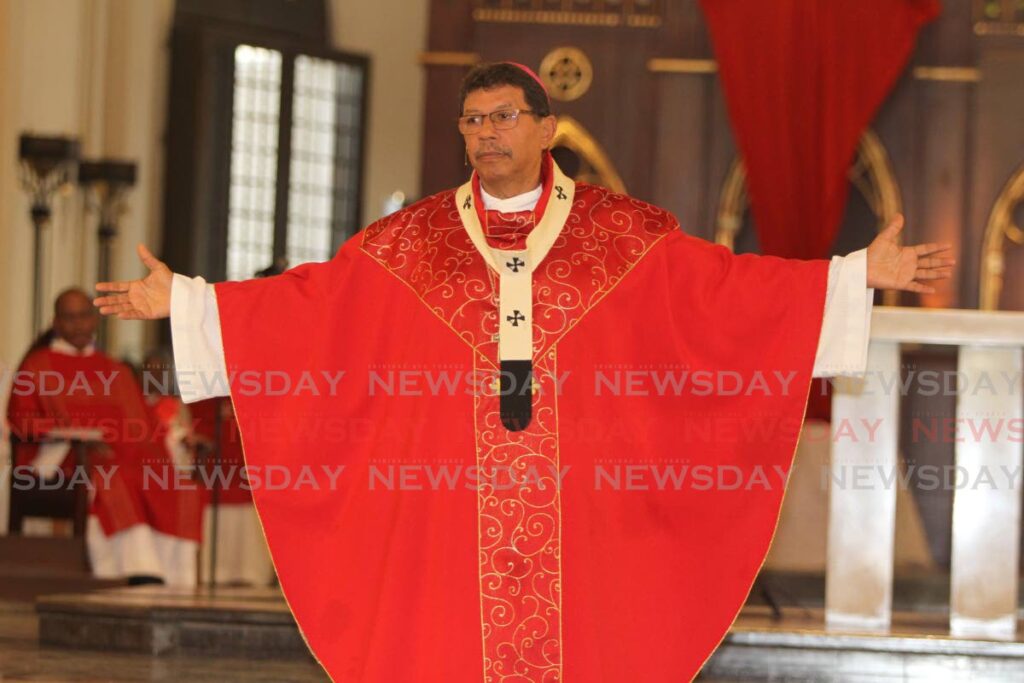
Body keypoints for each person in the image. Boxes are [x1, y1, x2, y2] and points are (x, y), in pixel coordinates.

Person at [95, 62, 953, 681]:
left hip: (586, 520)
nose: (485, 133)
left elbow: (724, 292)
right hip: (448, 522)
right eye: (472, 120)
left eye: (504, 117)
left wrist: (851, 275)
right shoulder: (408, 244)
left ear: (546, 130)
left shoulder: (625, 235)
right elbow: (310, 308)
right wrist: (191, 303)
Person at [7, 289, 202, 585]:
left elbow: (146, 424)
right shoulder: (37, 366)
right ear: (56, 322)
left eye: (85, 316)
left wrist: (178, 439)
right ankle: (138, 570)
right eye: (70, 318)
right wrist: (79, 435)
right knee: (115, 476)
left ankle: (178, 577)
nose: (79, 325)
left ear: (95, 319)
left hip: (118, 454)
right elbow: (21, 420)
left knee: (175, 482)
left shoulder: (115, 369)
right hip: (64, 458)